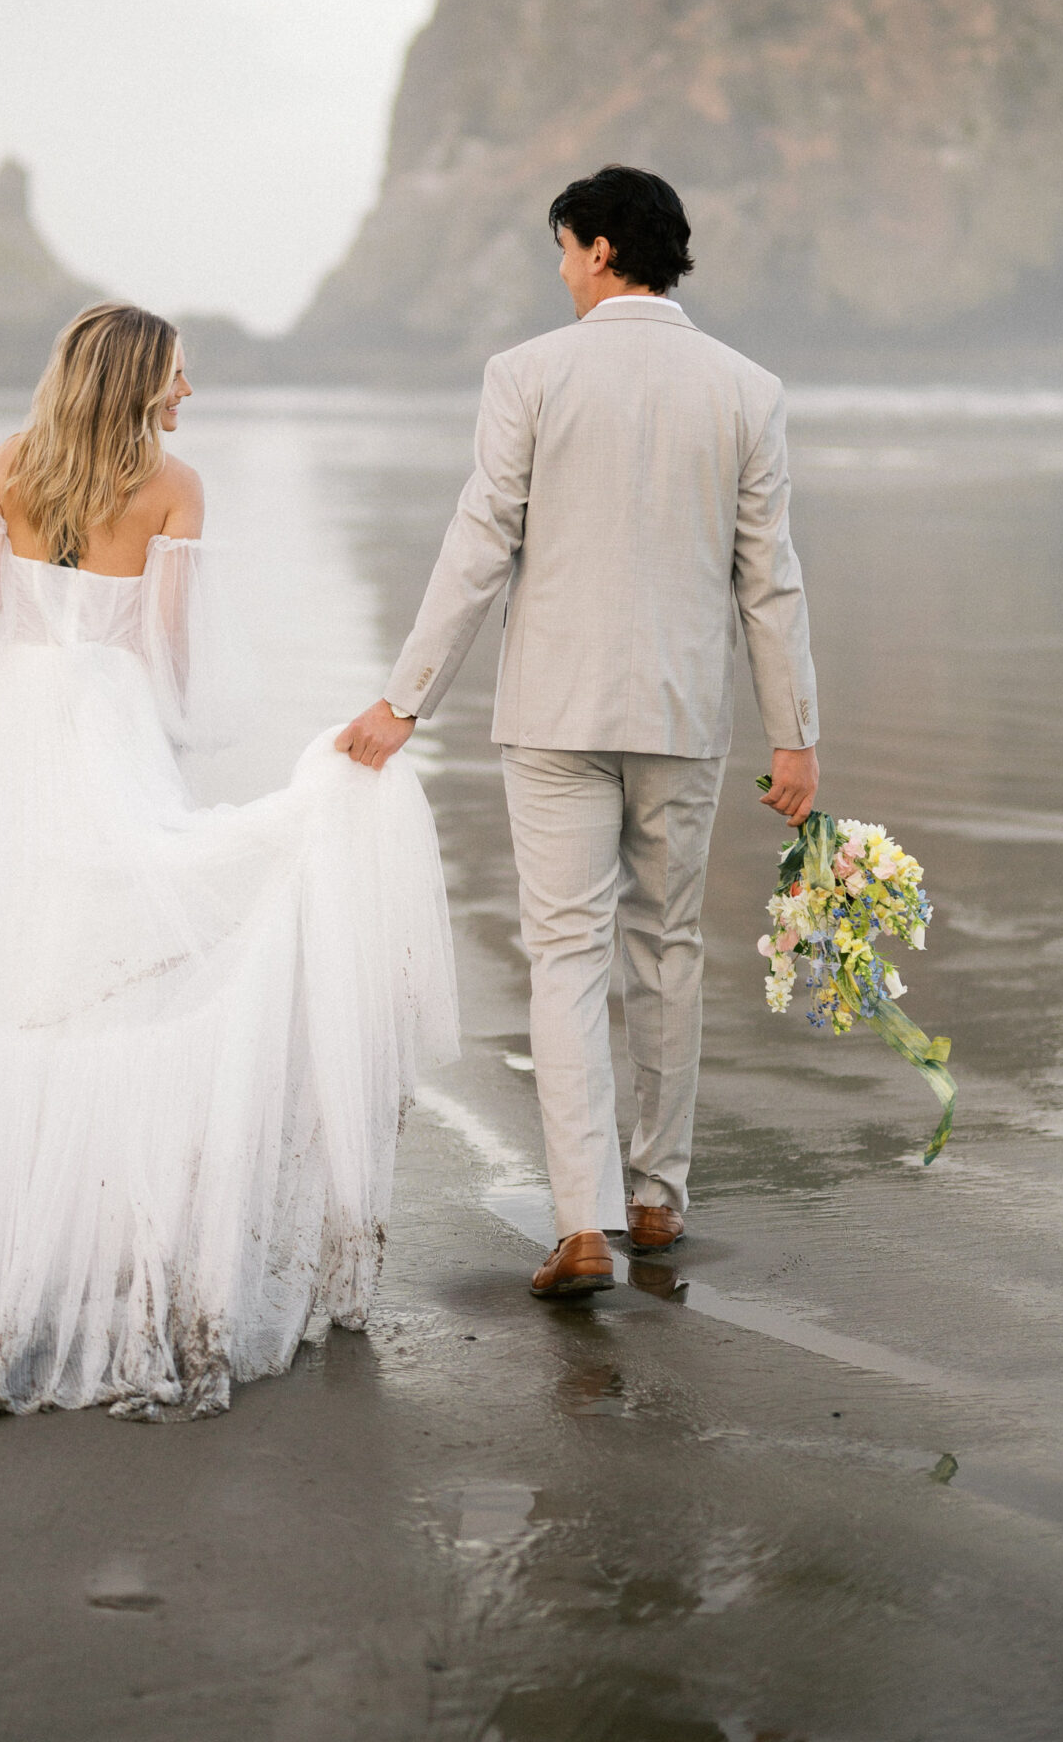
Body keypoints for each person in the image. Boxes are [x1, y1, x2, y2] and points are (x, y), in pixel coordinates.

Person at [0, 303, 458, 1417]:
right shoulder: (172, 487)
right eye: (179, 378)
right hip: (103, 723)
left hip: (5, 724)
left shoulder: (11, 463)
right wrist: (152, 722)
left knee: (4, 950)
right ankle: (89, 1209)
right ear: (139, 381)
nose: (188, 396)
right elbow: (168, 660)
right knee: (117, 940)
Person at [336, 167, 818, 1300]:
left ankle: (580, 1224)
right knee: (668, 947)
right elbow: (771, 581)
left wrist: (404, 700)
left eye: (562, 250)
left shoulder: (529, 374)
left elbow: (477, 544)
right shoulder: (748, 388)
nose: (559, 271)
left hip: (552, 714)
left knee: (564, 956)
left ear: (600, 250)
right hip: (683, 712)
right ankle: (657, 1197)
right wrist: (792, 732)